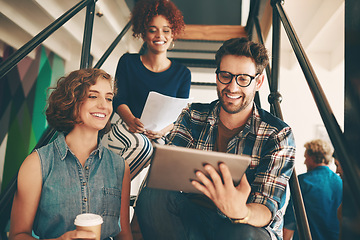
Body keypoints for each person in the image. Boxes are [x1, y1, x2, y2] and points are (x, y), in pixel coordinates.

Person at [135, 37, 296, 240]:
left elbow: (267, 208)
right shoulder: (193, 115)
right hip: (195, 220)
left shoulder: (277, 135)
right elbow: (163, 176)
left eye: (243, 79)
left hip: (244, 226)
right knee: (152, 195)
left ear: (259, 82)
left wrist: (241, 212)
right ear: (217, 75)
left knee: (244, 233)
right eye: (225, 76)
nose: (232, 87)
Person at [9, 69, 133, 240]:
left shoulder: (120, 166)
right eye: (93, 96)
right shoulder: (37, 164)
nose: (104, 105)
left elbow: (123, 233)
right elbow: (18, 235)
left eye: (109, 98)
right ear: (71, 101)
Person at [107, 0, 191, 179]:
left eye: (166, 30)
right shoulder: (128, 62)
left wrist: (162, 131)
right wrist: (130, 120)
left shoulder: (183, 74)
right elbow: (119, 99)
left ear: (173, 33)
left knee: (166, 158)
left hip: (158, 133)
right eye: (153, 29)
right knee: (144, 147)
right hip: (127, 127)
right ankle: (110, 189)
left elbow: (180, 115)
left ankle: (138, 200)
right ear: (143, 33)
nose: (160, 35)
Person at [283, 139, 342, 240]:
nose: (305, 162)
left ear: (313, 157)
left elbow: (290, 219)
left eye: (306, 157)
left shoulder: (302, 181)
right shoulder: (340, 182)